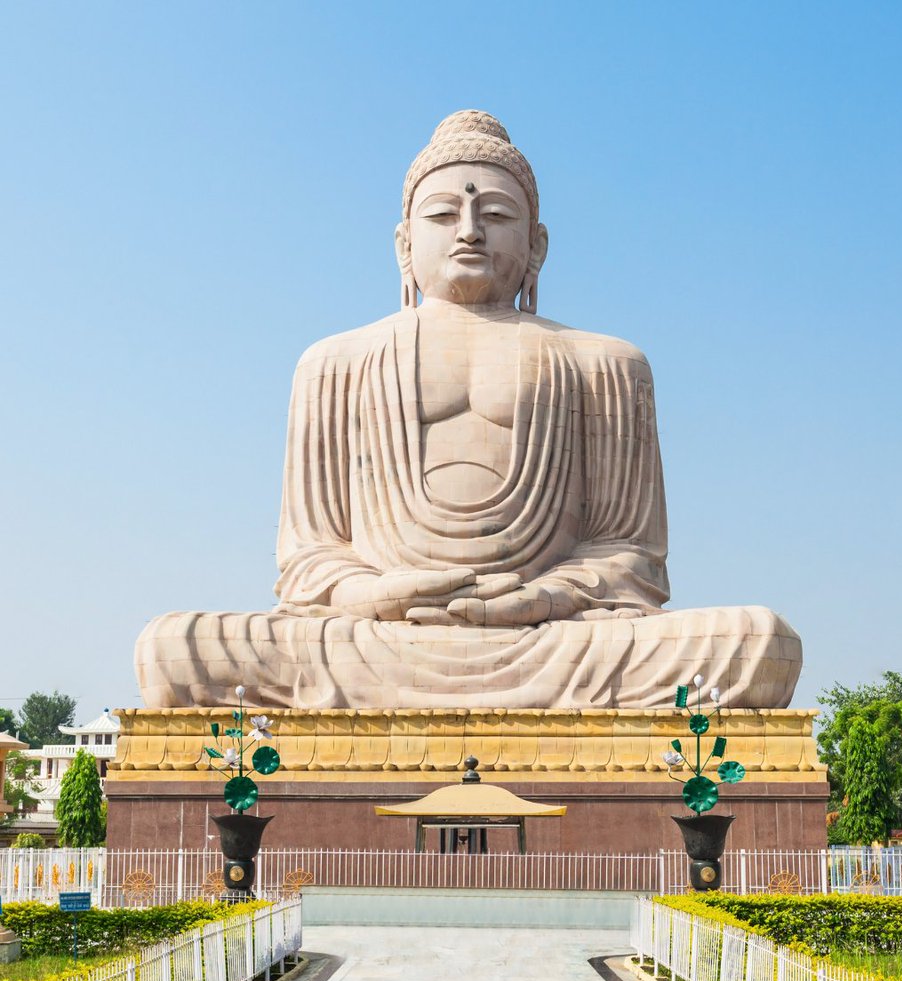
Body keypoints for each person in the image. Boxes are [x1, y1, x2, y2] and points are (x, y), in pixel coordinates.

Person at [136, 111, 801, 709]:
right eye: (443, 214)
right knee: (173, 648)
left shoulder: (605, 362)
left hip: (554, 639)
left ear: (537, 245)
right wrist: (378, 596)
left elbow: (631, 556)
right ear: (403, 243)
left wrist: (539, 599)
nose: (470, 230)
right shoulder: (333, 364)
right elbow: (310, 560)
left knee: (758, 643)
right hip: (378, 636)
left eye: (498, 215)